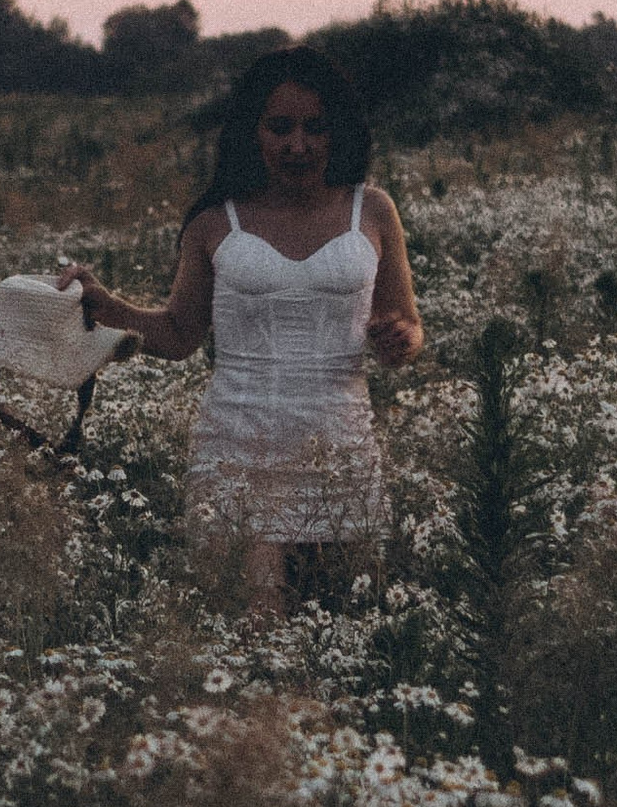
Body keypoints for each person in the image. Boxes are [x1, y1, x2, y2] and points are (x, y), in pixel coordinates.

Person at [57, 46, 425, 600]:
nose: (297, 145)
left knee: (350, 624)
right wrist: (106, 306)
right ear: (253, 131)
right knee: (256, 631)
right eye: (279, 127)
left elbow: (407, 325)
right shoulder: (214, 222)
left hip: (342, 456)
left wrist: (401, 340)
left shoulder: (372, 211)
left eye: (315, 127)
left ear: (339, 131)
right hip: (237, 454)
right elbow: (179, 335)